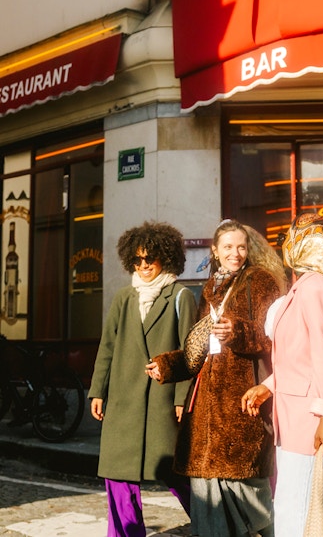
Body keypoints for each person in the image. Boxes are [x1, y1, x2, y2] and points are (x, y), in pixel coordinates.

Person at [146, 219, 286, 537]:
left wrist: (238, 332)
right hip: (208, 408)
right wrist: (166, 366)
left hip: (242, 401)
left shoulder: (260, 281)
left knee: (250, 490)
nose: (234, 253)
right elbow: (198, 350)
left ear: (248, 249)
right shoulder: (211, 288)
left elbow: (273, 337)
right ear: (215, 251)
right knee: (207, 491)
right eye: (227, 247)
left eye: (240, 247)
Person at [241, 212, 323, 537]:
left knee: (299, 513)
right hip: (296, 418)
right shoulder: (305, 287)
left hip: (309, 421)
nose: (285, 248)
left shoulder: (315, 289)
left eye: (291, 240)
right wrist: (268, 387)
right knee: (300, 507)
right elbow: (300, 358)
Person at [88, 221, 197, 537]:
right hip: (123, 400)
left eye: (150, 258)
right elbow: (107, 345)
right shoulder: (124, 297)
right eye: (137, 260)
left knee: (176, 473)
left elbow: (189, 353)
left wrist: (181, 398)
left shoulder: (180, 296)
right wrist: (98, 390)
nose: (144, 265)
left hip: (162, 402)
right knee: (118, 475)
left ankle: (210, 524)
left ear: (166, 257)